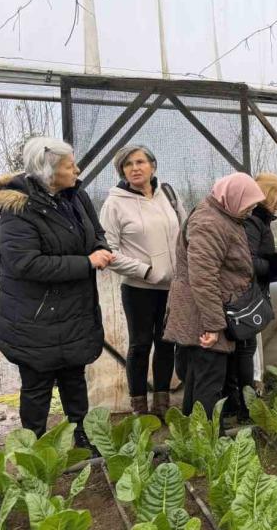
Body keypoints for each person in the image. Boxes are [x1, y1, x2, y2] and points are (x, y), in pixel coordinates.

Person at [0, 136, 113, 446]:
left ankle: (83, 438)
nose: (77, 170)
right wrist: (86, 262)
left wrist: (101, 248)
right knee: (37, 387)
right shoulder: (18, 209)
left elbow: (96, 232)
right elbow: (27, 264)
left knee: (74, 380)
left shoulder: (75, 197)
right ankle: (36, 450)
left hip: (74, 311)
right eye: (70, 166)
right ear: (48, 172)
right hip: (35, 317)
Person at [163, 172, 264, 417]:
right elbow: (203, 278)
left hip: (208, 310)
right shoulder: (209, 223)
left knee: (200, 379)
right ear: (232, 197)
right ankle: (206, 436)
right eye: (248, 204)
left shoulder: (223, 216)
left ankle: (194, 432)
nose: (250, 210)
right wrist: (213, 326)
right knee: (209, 382)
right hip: (202, 314)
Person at [99, 145, 185, 418]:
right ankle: (139, 408)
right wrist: (146, 271)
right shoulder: (114, 203)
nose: (135, 168)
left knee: (166, 343)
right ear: (122, 171)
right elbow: (108, 251)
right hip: (139, 288)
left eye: (140, 162)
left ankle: (162, 404)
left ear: (152, 166)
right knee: (140, 345)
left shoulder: (168, 194)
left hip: (171, 287)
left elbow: (185, 234)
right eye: (128, 164)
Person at [223, 173, 277, 422]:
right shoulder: (253, 221)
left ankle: (235, 402)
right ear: (267, 196)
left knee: (241, 349)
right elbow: (245, 261)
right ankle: (245, 405)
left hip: (249, 292)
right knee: (244, 349)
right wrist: (273, 266)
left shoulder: (258, 220)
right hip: (245, 296)